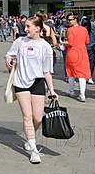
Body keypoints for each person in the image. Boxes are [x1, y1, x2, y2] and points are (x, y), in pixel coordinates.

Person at [5, 16, 58, 164]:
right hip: (21, 82)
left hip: (38, 82)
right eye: (25, 26)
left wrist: (52, 90)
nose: (25, 29)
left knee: (38, 117)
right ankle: (33, 150)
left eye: (28, 26)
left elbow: (47, 71)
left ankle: (30, 136)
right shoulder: (20, 41)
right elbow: (10, 53)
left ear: (38, 28)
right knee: (27, 116)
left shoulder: (45, 47)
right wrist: (8, 58)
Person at [64, 13, 90, 102]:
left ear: (76, 19)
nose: (69, 21)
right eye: (68, 19)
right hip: (82, 52)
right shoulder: (84, 29)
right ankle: (82, 94)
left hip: (72, 52)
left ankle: (71, 90)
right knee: (82, 73)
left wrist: (64, 44)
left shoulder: (70, 30)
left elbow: (70, 43)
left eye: (70, 19)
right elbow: (87, 41)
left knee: (71, 72)